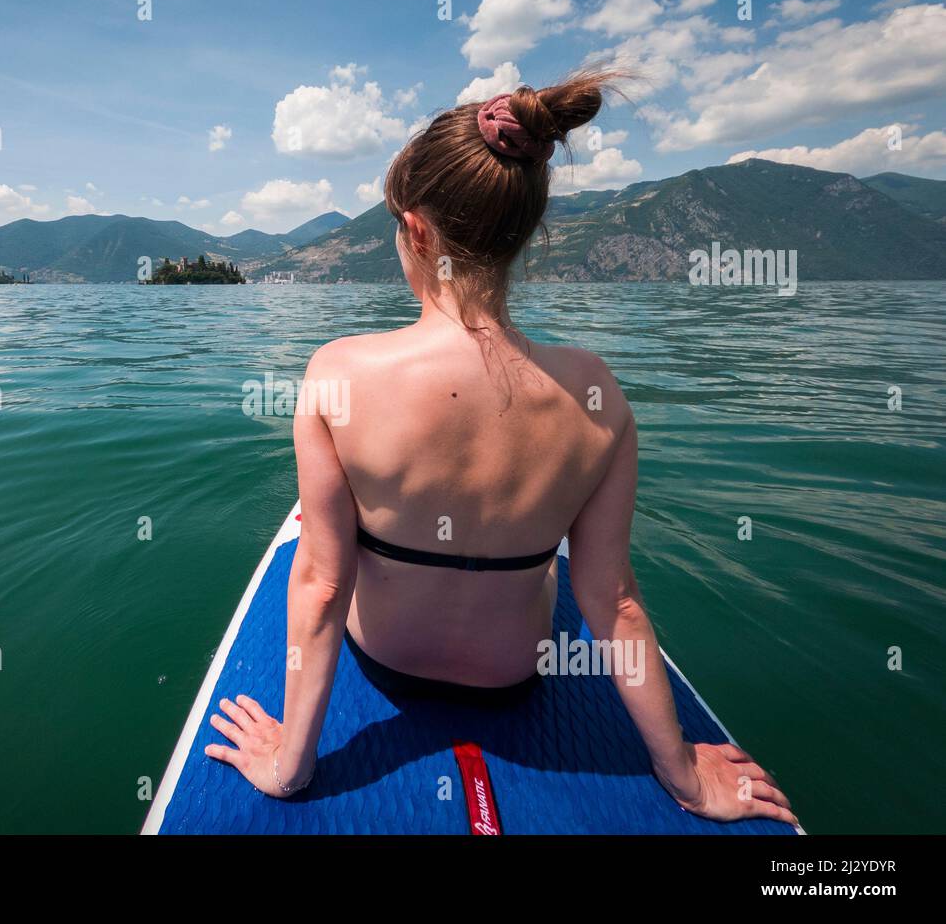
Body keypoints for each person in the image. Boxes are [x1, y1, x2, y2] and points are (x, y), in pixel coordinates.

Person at [205, 73, 796, 826]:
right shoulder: (598, 394)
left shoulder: (338, 375)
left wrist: (290, 768)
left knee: (328, 552)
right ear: (523, 234)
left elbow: (321, 587)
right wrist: (682, 773)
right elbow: (612, 601)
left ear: (415, 231)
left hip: (385, 661)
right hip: (516, 676)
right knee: (565, 573)